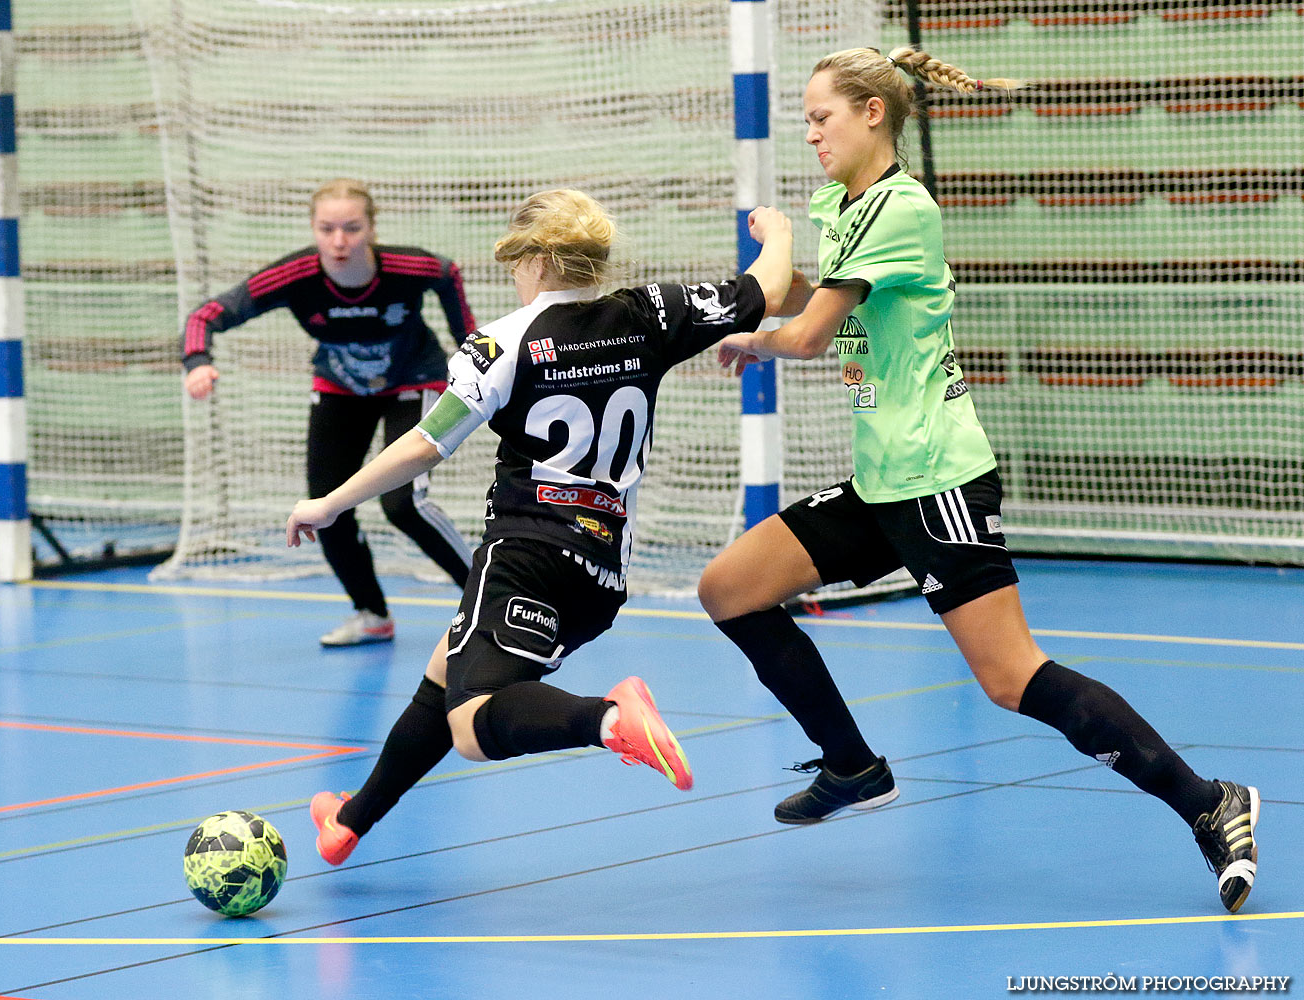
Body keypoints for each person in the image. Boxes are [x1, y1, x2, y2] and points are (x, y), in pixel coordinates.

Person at [697, 46, 1260, 914]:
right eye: (805, 119)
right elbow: (821, 307)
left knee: (1009, 678)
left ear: (873, 114)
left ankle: (1208, 802)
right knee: (729, 589)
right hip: (881, 478)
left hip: (937, 478)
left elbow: (809, 336)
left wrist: (752, 329)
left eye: (821, 116)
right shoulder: (843, 206)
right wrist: (771, 278)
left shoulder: (901, 209)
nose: (809, 132)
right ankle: (851, 765)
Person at [286, 188, 796, 864]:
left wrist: (330, 502)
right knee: (447, 670)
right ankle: (351, 820)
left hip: (526, 550)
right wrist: (779, 230)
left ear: (533, 259)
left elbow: (424, 444)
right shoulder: (648, 313)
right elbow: (765, 288)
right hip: (601, 575)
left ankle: (609, 718)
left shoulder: (500, 342)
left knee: (470, 724)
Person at [181, 179, 475, 646]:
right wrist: (198, 362)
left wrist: (470, 351)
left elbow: (449, 274)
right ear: (314, 230)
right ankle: (372, 614)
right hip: (340, 386)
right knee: (323, 508)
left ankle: (485, 601)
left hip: (413, 379)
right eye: (327, 229)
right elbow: (207, 315)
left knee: (402, 503)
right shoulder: (294, 276)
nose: (339, 241)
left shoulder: (410, 267)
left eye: (352, 228)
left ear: (372, 230)